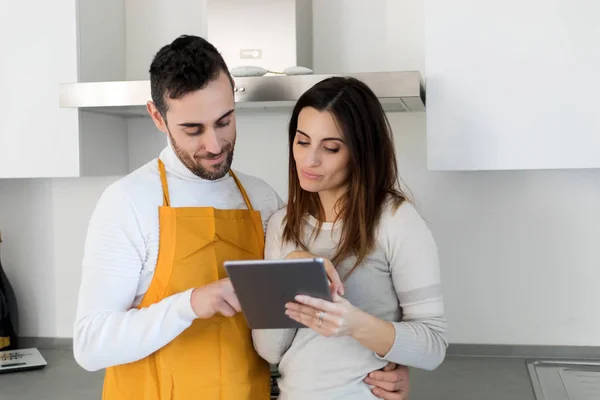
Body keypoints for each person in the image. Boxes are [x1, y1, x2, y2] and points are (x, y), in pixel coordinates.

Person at [73, 35, 410, 400]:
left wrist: (383, 368)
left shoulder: (262, 200)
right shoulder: (127, 203)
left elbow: (299, 328)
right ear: (158, 117)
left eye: (224, 121)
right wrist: (190, 304)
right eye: (193, 129)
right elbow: (91, 345)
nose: (215, 145)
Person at [252, 76, 448, 399]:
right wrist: (289, 270)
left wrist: (354, 323)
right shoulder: (281, 225)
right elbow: (271, 351)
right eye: (302, 142)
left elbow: (433, 344)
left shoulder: (396, 221)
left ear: (360, 152)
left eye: (330, 148)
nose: (310, 159)